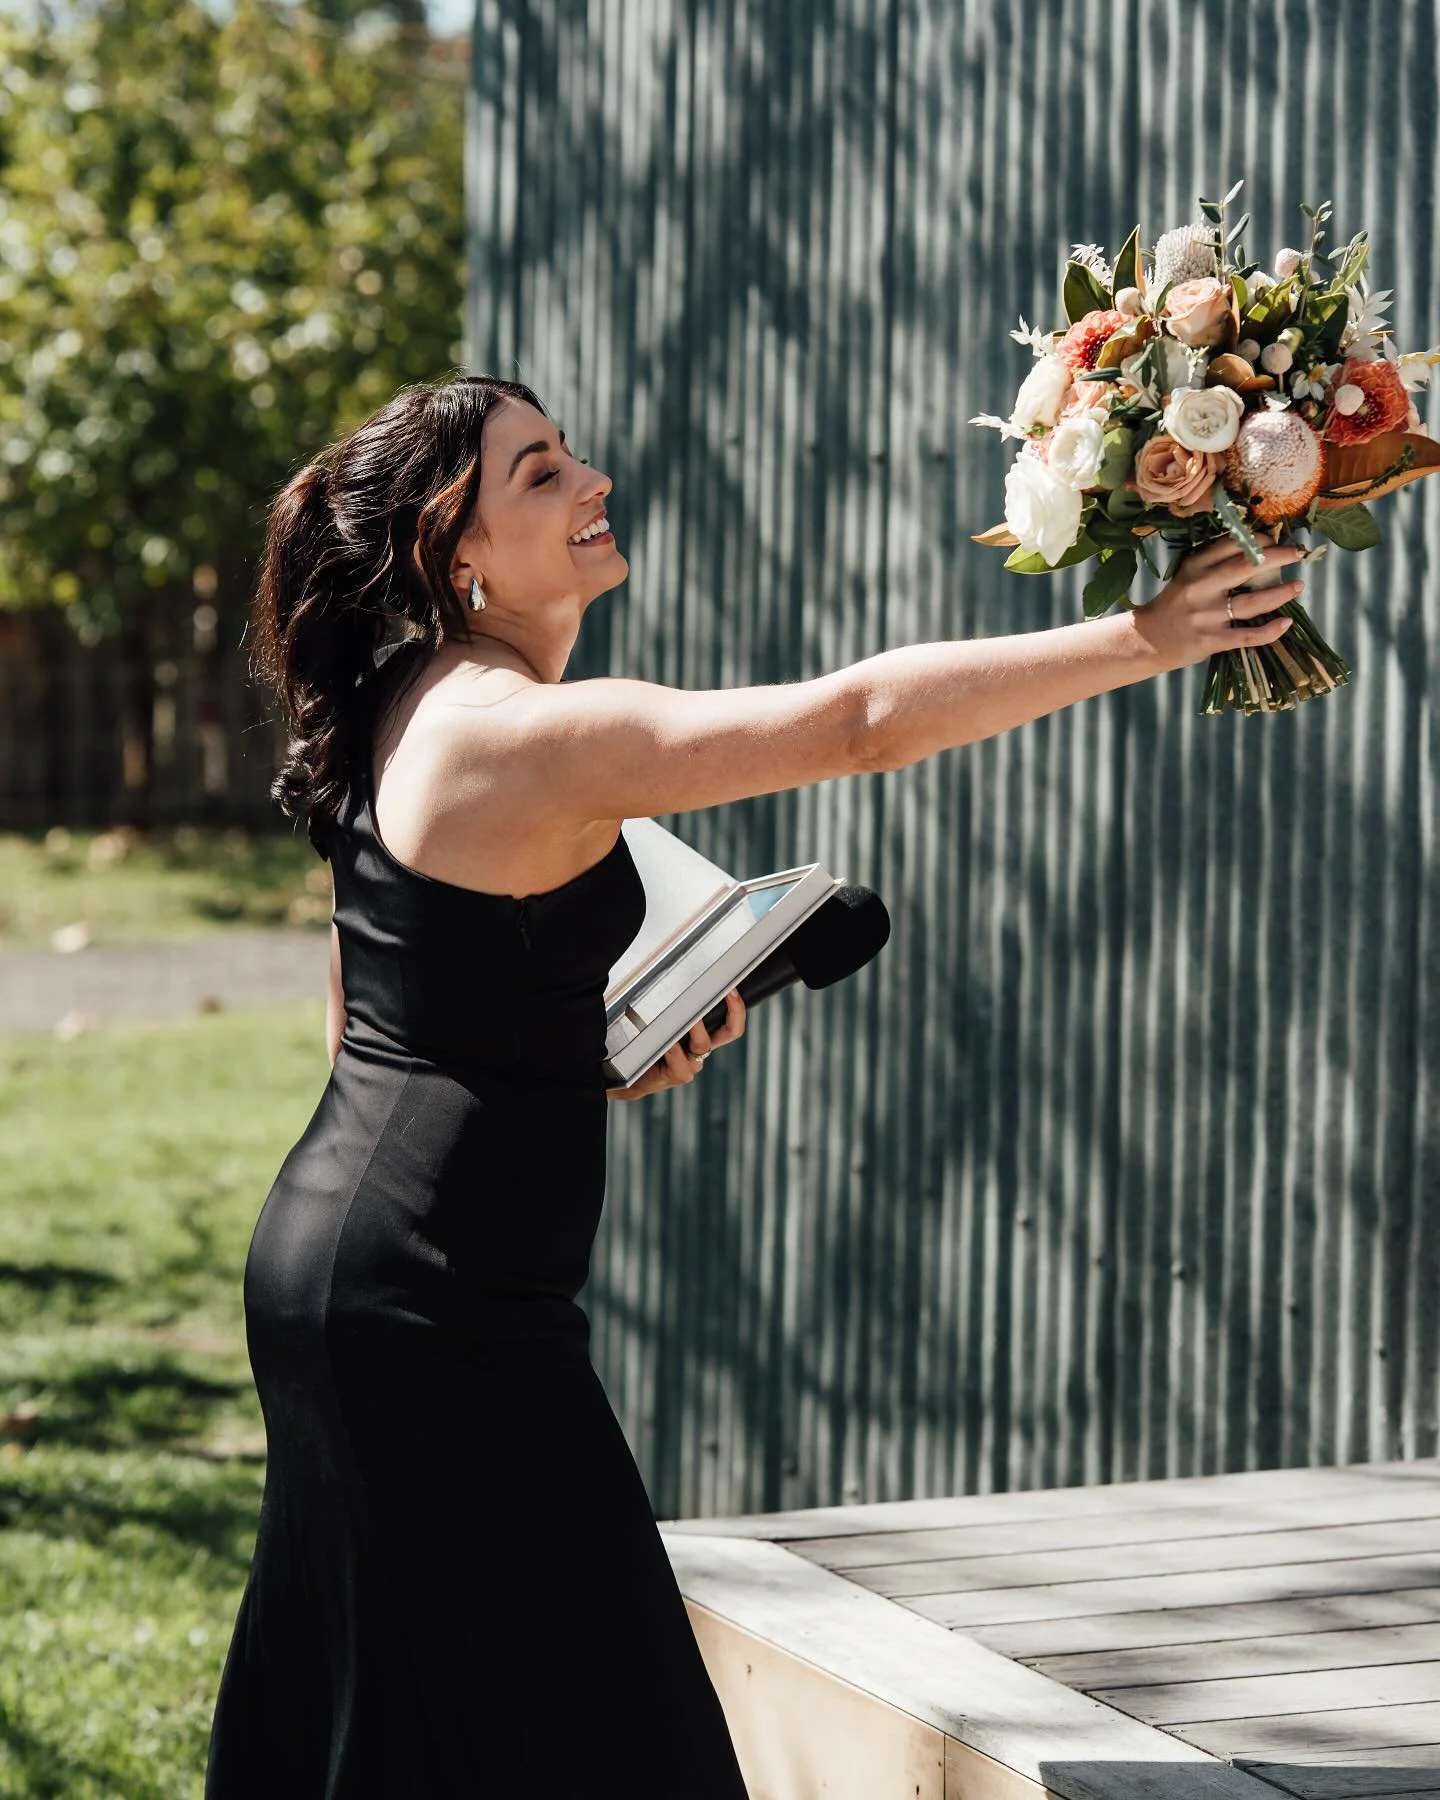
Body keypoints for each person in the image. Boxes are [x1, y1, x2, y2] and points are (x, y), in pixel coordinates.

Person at [205, 372, 1304, 1797]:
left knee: (421, 1734)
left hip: (355, 1269)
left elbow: (385, 1010)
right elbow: (854, 724)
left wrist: (574, 1051)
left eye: (567, 452)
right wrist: (1139, 638)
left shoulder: (409, 702)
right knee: (614, 1732)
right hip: (436, 1306)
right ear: (452, 552)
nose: (591, 479)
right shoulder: (522, 731)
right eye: (539, 473)